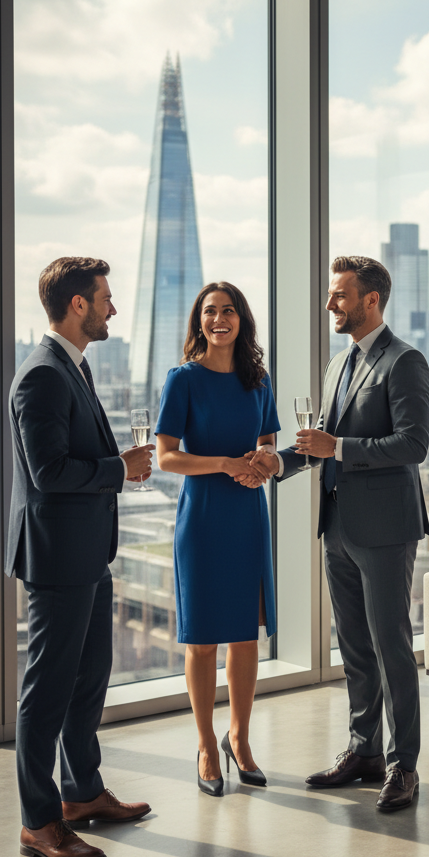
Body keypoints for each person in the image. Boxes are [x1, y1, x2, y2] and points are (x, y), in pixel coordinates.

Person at [250, 256, 429, 811]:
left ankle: (404, 766)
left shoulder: (405, 362)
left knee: (392, 647)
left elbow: (413, 445)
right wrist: (278, 463)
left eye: (340, 295)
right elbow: (321, 440)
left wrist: (341, 451)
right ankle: (364, 750)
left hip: (385, 529)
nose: (331, 304)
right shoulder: (338, 365)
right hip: (339, 526)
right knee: (354, 647)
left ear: (371, 299)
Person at [8, 257, 154, 857]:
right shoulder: (42, 376)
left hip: (88, 552)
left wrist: (116, 465)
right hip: (59, 557)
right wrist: (121, 469)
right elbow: (49, 474)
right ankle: (40, 823)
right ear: (77, 305)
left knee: (89, 678)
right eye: (105, 299)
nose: (112, 308)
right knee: (47, 691)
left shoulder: (73, 368)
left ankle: (82, 792)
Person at [156, 283, 279, 796]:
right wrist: (225, 464)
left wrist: (265, 461)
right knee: (203, 640)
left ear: (241, 319)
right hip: (203, 518)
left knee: (245, 638)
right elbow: (166, 457)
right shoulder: (182, 380)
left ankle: (240, 739)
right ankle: (207, 745)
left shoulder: (258, 380)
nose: (219, 319)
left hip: (248, 514)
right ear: (198, 322)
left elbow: (269, 441)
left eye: (228, 311)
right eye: (210, 312)